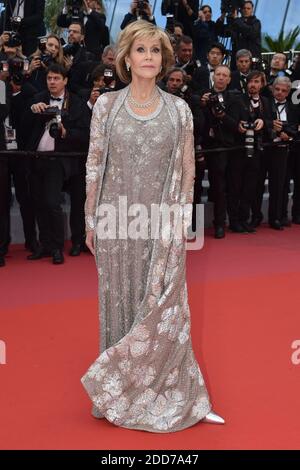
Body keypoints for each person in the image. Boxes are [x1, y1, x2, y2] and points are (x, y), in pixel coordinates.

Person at [81, 20, 224, 432]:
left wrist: (183, 224)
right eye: (141, 50)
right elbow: (93, 164)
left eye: (156, 51)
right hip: (116, 222)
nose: (149, 58)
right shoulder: (107, 105)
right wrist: (91, 220)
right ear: (126, 57)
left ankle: (182, 396)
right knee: (121, 303)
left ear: (163, 60)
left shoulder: (179, 110)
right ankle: (118, 396)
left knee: (168, 309)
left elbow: (186, 172)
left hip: (161, 225)